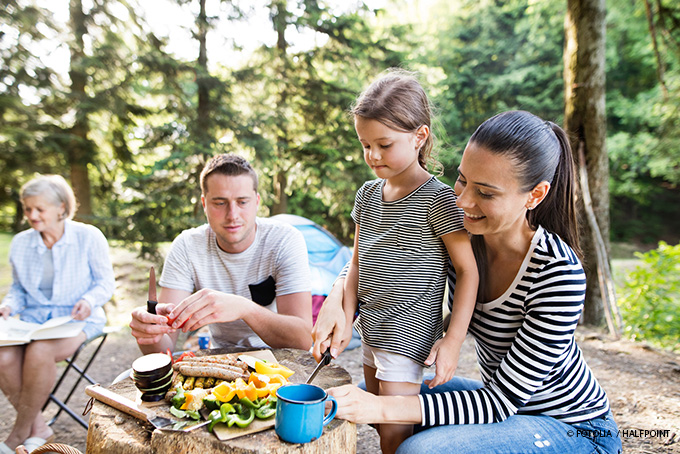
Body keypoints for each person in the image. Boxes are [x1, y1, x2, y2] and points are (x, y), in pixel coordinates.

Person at [314, 110, 622, 454]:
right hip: (509, 408)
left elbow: (498, 403)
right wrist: (334, 299)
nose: (462, 201)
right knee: (372, 393)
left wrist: (379, 408)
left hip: (571, 426)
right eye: (462, 181)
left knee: (417, 447)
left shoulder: (556, 272)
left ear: (535, 195)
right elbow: (375, 259)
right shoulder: (466, 238)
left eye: (486, 194)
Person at [316, 70, 478, 454]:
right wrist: (343, 316)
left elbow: (469, 271)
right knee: (378, 420)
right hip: (371, 330)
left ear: (419, 137)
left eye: (384, 144)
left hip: (407, 339)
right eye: (365, 144)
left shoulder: (436, 200)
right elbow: (356, 265)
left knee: (393, 433)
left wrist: (453, 340)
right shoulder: (367, 195)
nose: (373, 155)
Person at [129, 154, 313, 354]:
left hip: (281, 364)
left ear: (257, 202)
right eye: (220, 203)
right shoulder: (186, 246)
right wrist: (147, 332)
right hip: (221, 361)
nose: (232, 215)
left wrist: (245, 308)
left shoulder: (284, 240)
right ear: (204, 204)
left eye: (242, 202)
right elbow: (162, 348)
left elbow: (302, 340)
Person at [0, 175, 115, 453]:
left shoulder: (88, 236)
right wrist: (8, 306)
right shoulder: (20, 243)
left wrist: (88, 301)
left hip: (77, 319)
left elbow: (105, 284)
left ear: (61, 208)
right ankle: (39, 427)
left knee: (39, 352)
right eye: (28, 209)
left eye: (40, 209)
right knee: (2, 357)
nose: (32, 215)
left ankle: (17, 435)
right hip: (33, 321)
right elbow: (18, 289)